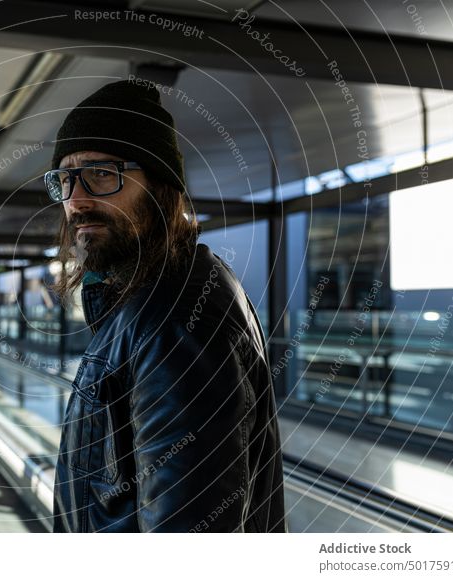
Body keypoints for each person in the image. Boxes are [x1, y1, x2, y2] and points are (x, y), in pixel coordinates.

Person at [45, 79, 286, 532]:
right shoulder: (145, 300)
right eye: (64, 179)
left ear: (159, 185)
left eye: (101, 173)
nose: (76, 201)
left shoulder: (175, 322)